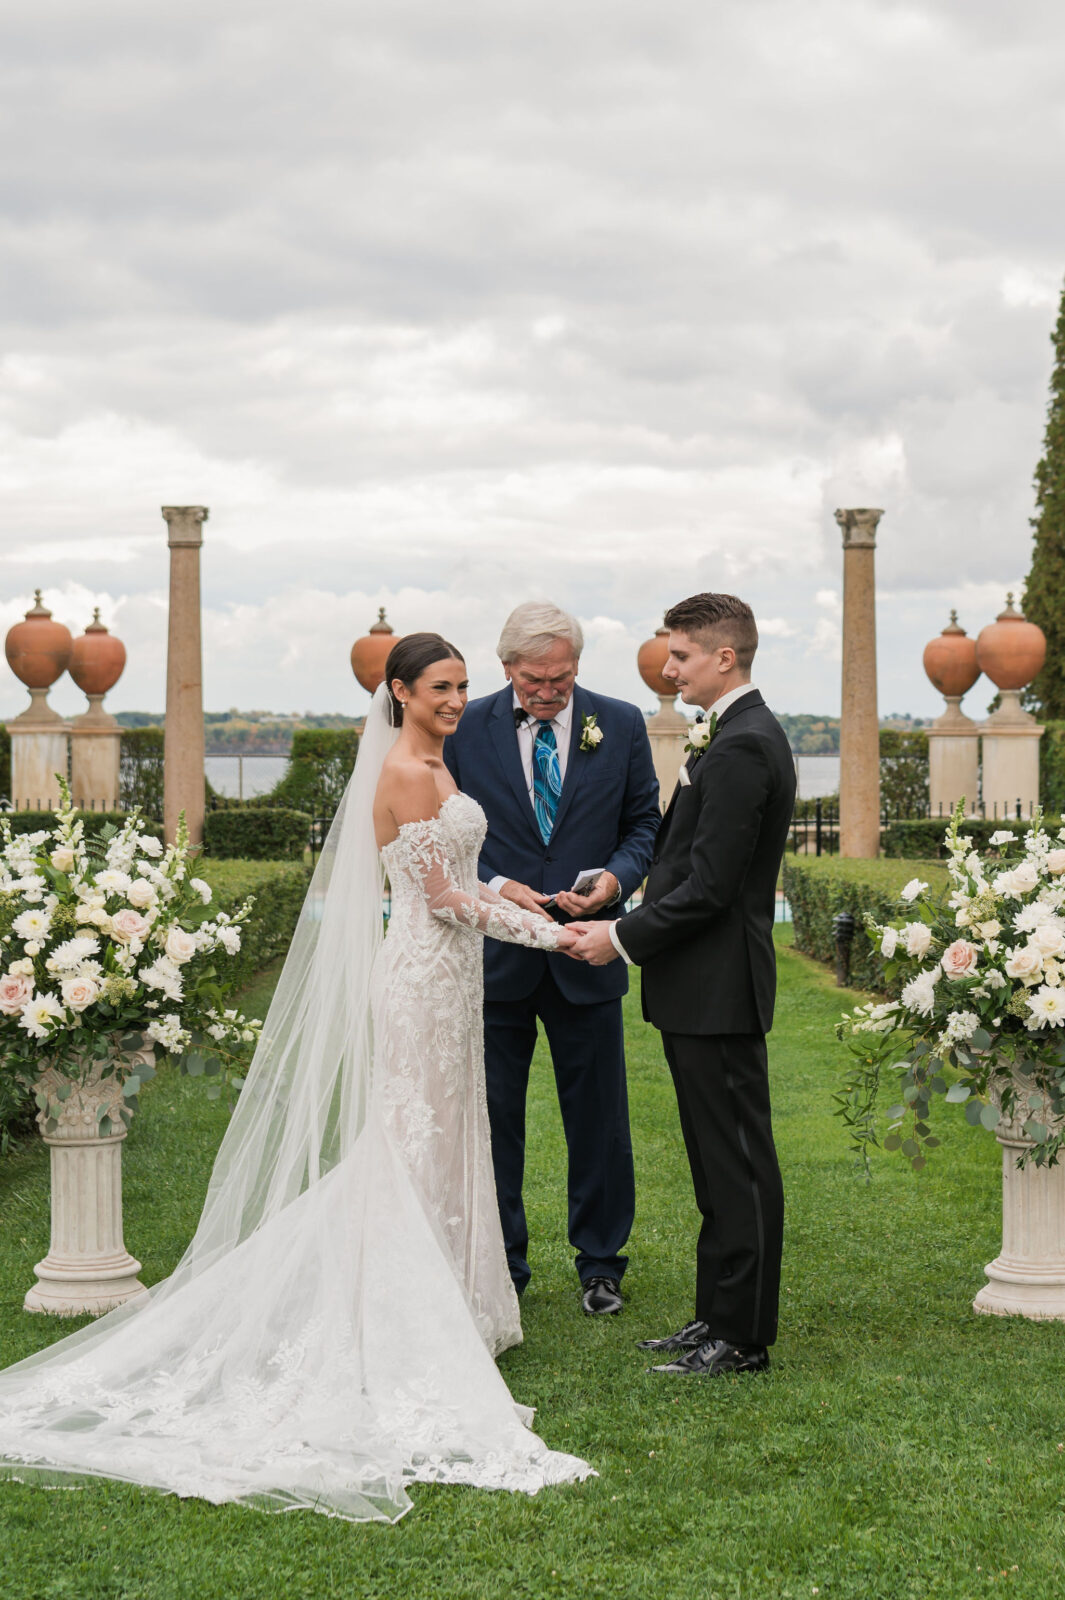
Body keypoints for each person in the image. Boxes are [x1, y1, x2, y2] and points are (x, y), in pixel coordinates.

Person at [0, 633, 592, 1522]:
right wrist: (557, 937)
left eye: (464, 686)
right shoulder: (402, 768)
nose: (455, 699)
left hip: (452, 984)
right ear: (397, 691)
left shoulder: (438, 763)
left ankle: (461, 1309)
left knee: (448, 1134)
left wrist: (512, 889)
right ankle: (397, 1319)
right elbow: (434, 899)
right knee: (408, 1146)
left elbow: (456, 872)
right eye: (439, 686)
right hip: (422, 983)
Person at [571, 593, 796, 1377]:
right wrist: (615, 896)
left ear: (723, 657)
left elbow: (708, 886)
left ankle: (740, 1339)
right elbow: (680, 861)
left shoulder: (742, 746)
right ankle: (715, 1318)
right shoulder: (728, 735)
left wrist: (619, 939)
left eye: (680, 656)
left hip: (718, 988)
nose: (667, 670)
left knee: (734, 1164)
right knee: (713, 1162)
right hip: (696, 987)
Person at [444, 601, 660, 1315]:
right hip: (493, 953)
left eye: (561, 677)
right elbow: (448, 836)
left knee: (598, 1120)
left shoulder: (621, 722)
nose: (549, 691)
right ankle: (502, 1262)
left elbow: (642, 825)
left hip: (586, 950)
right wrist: (504, 892)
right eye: (535, 679)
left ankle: (601, 1264)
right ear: (507, 669)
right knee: (493, 1118)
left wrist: (615, 880)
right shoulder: (463, 726)